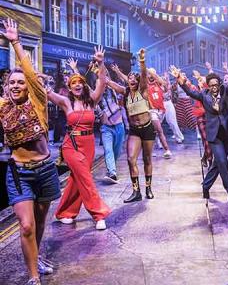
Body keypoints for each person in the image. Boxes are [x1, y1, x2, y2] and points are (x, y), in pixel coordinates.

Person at [0, 18, 61, 285]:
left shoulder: (38, 102)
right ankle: (33, 277)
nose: (16, 86)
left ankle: (37, 258)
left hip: (45, 170)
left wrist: (15, 42)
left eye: (20, 83)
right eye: (12, 82)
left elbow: (28, 70)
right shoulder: (3, 105)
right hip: (19, 174)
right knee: (26, 226)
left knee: (39, 220)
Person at [47, 47, 111, 231]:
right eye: (73, 83)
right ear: (69, 86)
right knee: (86, 178)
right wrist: (42, 82)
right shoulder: (66, 102)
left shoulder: (92, 100)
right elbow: (48, 93)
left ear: (83, 85)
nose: (76, 85)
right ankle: (99, 213)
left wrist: (100, 63)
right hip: (71, 145)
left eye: (79, 82)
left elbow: (102, 82)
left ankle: (65, 212)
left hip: (88, 144)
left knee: (77, 179)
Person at [170, 55, 228, 204]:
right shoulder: (204, 95)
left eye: (216, 84)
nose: (214, 87)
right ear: (208, 86)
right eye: (211, 85)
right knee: (222, 161)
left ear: (220, 84)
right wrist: (179, 78)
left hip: (227, 134)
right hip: (214, 136)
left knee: (218, 164)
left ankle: (205, 186)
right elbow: (190, 92)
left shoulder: (225, 92)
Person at [107, 49, 156, 203]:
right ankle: (136, 192)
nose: (132, 80)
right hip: (134, 131)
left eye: (134, 78)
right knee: (130, 159)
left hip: (147, 128)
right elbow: (109, 82)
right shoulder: (125, 92)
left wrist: (142, 60)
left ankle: (148, 188)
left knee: (147, 159)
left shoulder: (143, 90)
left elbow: (142, 74)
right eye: (130, 78)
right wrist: (101, 70)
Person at [147, 68, 172, 159]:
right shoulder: (145, 84)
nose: (151, 75)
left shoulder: (159, 83)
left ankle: (149, 151)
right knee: (159, 130)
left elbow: (164, 84)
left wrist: (152, 73)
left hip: (161, 111)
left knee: (153, 132)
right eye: (149, 74)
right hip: (152, 111)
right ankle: (167, 150)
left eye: (153, 73)